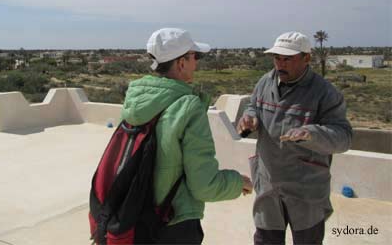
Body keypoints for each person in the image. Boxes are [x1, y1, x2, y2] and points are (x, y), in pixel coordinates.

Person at [121, 28, 253, 244]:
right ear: (181, 63)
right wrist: (238, 183)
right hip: (173, 222)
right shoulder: (188, 107)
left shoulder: (136, 101)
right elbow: (204, 186)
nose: (197, 63)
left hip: (136, 216)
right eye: (195, 56)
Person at [237, 31, 352, 245]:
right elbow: (253, 105)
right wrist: (250, 117)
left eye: (287, 59)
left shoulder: (325, 93)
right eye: (277, 58)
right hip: (268, 185)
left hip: (305, 189)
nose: (280, 64)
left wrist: (311, 133)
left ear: (307, 58)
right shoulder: (265, 82)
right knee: (266, 240)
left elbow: (343, 137)